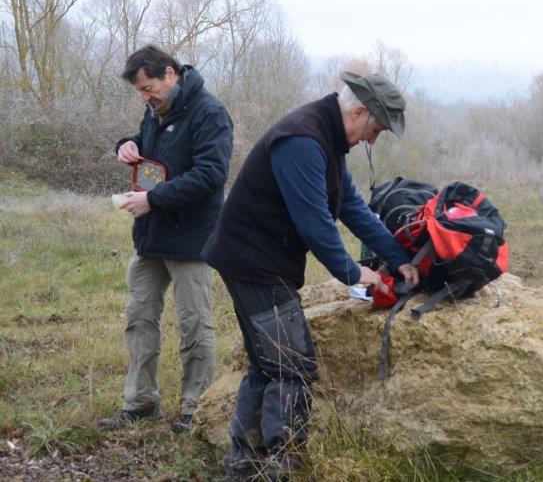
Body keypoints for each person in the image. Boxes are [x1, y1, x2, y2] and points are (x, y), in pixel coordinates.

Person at [202, 72, 420, 481]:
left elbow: (353, 208)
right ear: (357, 112)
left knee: (268, 365)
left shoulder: (328, 140)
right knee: (292, 367)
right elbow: (315, 223)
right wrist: (356, 273)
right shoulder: (302, 140)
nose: (372, 140)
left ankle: (243, 467)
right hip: (254, 264)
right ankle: (281, 468)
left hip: (258, 261)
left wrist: (399, 256)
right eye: (375, 130)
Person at [101, 45, 234, 433]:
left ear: (171, 74)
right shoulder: (156, 111)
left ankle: (196, 409)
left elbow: (210, 175)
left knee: (195, 324)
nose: (144, 97)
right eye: (139, 92)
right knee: (139, 318)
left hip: (192, 239)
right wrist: (127, 145)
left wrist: (153, 199)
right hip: (151, 237)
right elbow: (153, 150)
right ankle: (140, 403)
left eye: (149, 87)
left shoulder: (210, 113)